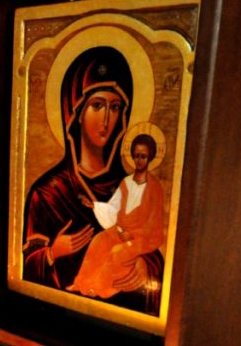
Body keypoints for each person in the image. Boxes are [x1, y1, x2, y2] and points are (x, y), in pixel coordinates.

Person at [22, 46, 163, 314]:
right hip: (56, 316)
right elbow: (24, 264)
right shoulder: (48, 192)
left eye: (115, 106)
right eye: (97, 106)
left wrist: (146, 266)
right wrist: (52, 252)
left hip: (119, 324)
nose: (107, 119)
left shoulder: (132, 185)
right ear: (74, 113)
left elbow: (153, 240)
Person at [67, 133, 166, 301]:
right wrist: (95, 206)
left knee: (117, 252)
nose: (139, 160)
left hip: (143, 237)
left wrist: (133, 235)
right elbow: (114, 207)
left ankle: (97, 288)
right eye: (136, 156)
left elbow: (154, 224)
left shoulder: (155, 187)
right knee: (99, 241)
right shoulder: (126, 182)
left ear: (150, 158)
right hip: (120, 229)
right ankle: (80, 282)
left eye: (143, 156)